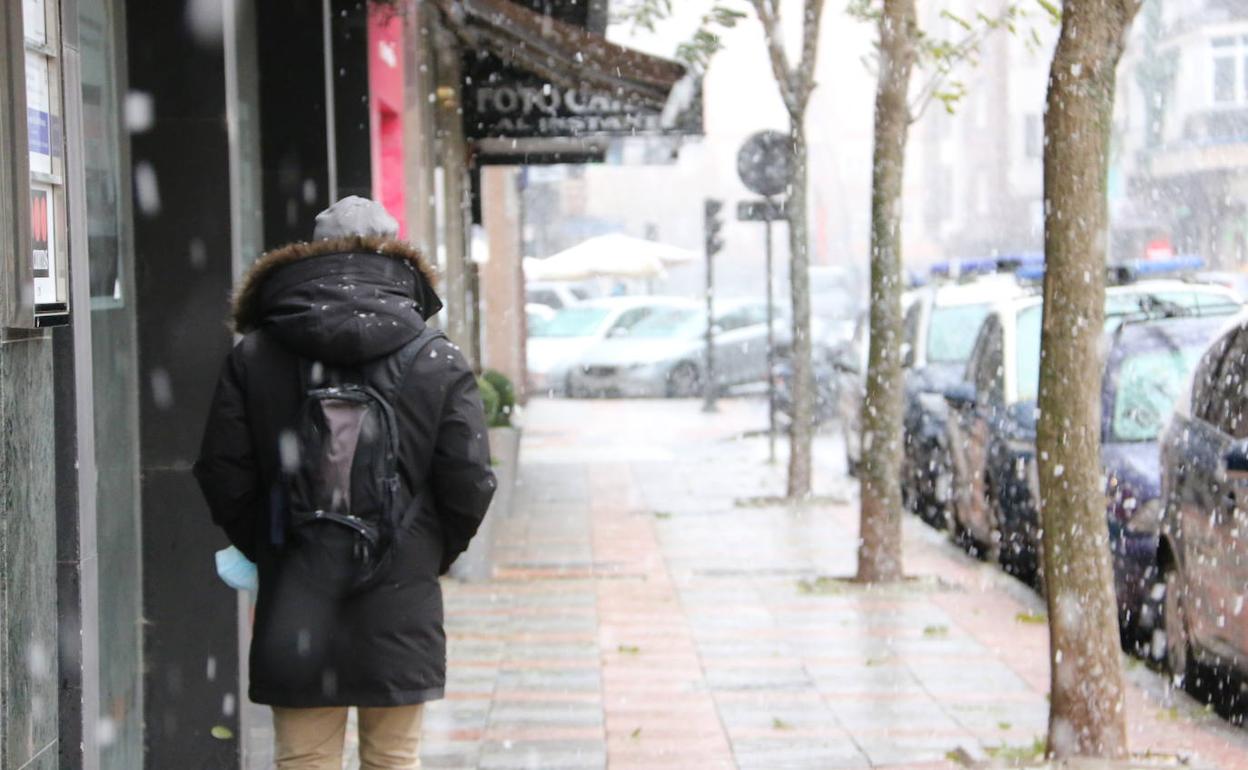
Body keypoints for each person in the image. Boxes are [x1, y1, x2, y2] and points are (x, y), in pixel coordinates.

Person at [194, 196, 496, 770]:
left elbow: (223, 471)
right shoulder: (435, 357)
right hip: (401, 597)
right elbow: (471, 481)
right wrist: (427, 550)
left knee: (303, 758)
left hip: (297, 601)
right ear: (399, 259)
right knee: (393, 759)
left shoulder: (256, 355)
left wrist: (276, 545)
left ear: (310, 255)